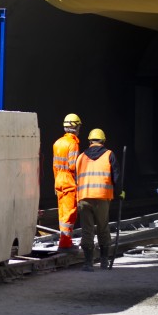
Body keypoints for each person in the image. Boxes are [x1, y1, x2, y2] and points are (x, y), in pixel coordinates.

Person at [76, 128, 123, 271]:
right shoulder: (109, 155)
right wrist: (120, 192)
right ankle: (104, 261)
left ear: (90, 141)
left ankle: (88, 263)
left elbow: (76, 176)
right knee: (103, 228)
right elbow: (116, 176)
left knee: (87, 230)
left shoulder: (81, 156)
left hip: (84, 198)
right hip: (102, 198)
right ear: (103, 141)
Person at [52, 114, 82, 251]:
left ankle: (64, 240)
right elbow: (72, 166)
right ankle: (65, 243)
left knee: (62, 212)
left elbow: (54, 165)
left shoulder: (57, 143)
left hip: (59, 180)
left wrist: (55, 182)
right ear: (75, 127)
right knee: (70, 213)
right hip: (69, 181)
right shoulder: (73, 143)